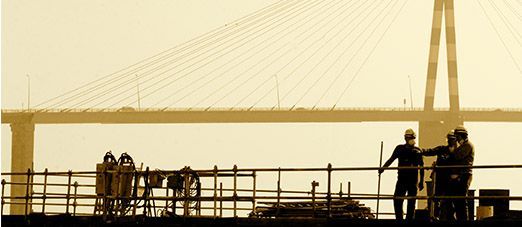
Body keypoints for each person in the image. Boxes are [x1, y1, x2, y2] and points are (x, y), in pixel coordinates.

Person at [379, 128, 424, 221]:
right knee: (398, 200)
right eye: (408, 138)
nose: (409, 139)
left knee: (411, 202)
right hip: (402, 180)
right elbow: (391, 159)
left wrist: (421, 181)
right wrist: (383, 168)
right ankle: (400, 218)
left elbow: (422, 167)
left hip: (411, 180)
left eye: (410, 137)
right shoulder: (400, 149)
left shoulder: (417, 151)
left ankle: (409, 219)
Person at [422, 130, 457, 221]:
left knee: (450, 199)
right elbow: (430, 151)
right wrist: (420, 151)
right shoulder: (442, 149)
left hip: (450, 179)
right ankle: (436, 216)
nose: (450, 141)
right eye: (449, 139)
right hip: (440, 178)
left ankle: (450, 217)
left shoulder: (458, 152)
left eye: (452, 139)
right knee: (437, 197)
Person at [447, 125, 474, 221]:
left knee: (462, 199)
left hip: (465, 174)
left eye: (457, 136)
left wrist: (452, 150)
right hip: (461, 175)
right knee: (458, 199)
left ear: (461, 135)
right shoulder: (463, 146)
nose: (456, 139)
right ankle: (460, 218)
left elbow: (456, 156)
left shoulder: (467, 146)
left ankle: (463, 220)